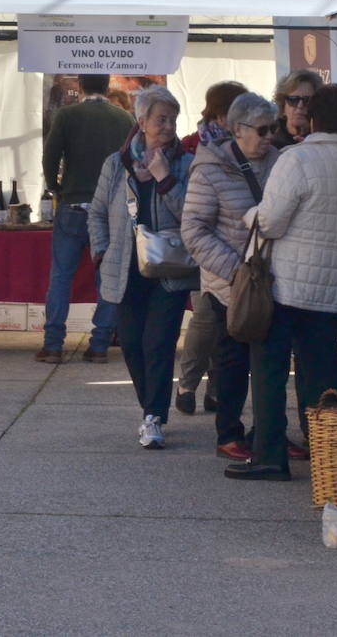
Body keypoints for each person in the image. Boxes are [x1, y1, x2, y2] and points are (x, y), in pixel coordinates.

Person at [226, 84, 337, 481]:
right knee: (323, 374)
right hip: (335, 291)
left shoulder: (297, 158)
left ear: (313, 119)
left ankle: (269, 456)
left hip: (288, 286)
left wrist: (250, 215)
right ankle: (327, 452)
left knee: (270, 371)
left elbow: (271, 221)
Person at [89, 85, 195, 449]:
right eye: (160, 119)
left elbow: (192, 216)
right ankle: (149, 409)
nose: (167, 126)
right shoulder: (116, 164)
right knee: (132, 344)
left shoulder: (185, 163)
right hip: (125, 269)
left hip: (169, 270)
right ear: (142, 121)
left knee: (158, 343)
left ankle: (153, 417)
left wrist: (166, 179)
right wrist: (102, 252)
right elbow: (98, 212)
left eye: (172, 120)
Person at [181, 92, 280, 459]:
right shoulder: (209, 169)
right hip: (229, 287)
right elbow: (193, 231)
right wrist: (237, 272)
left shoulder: (279, 162)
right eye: (263, 129)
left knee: (269, 362)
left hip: (270, 282)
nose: (270, 136)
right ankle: (229, 434)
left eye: (274, 128)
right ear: (238, 130)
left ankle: (269, 432)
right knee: (233, 362)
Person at [38, 73, 135, 364]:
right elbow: (132, 161)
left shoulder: (68, 115)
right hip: (108, 210)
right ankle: (100, 345)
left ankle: (53, 344)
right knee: (107, 277)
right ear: (108, 88)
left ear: (80, 87)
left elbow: (50, 156)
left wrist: (56, 187)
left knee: (61, 277)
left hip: (72, 205)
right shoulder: (125, 120)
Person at [175, 80, 248, 415]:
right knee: (206, 321)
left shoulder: (252, 146)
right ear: (221, 114)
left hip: (238, 250)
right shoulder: (193, 146)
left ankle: (216, 391)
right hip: (209, 248)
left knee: (229, 327)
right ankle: (188, 384)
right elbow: (185, 206)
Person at [270, 69, 322, 150]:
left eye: (307, 100)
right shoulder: (269, 140)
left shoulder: (323, 140)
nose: (300, 106)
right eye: (293, 99)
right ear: (283, 105)